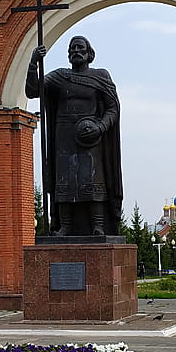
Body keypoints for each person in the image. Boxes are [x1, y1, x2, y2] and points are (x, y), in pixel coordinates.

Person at [27, 35, 123, 236]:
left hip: (91, 137)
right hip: (64, 137)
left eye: (80, 48)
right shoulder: (60, 76)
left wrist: (100, 127)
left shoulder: (101, 76)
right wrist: (33, 63)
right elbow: (33, 91)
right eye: (72, 49)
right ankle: (66, 226)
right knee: (65, 180)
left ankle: (98, 225)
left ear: (89, 54)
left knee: (92, 178)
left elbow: (113, 108)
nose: (75, 51)